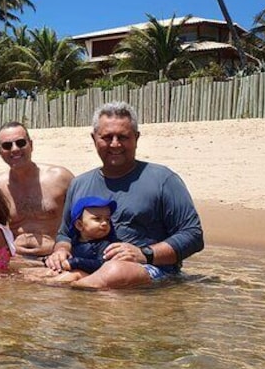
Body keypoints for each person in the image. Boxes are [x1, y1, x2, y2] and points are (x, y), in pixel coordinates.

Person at [44, 102, 205, 290]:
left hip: (150, 271)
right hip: (89, 265)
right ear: (94, 138)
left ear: (136, 138)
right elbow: (65, 233)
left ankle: (75, 286)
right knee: (31, 271)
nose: (115, 144)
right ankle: (75, 286)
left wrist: (145, 254)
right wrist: (61, 251)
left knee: (115, 271)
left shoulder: (163, 179)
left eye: (123, 137)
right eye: (107, 137)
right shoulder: (79, 184)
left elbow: (193, 235)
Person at [0, 122, 74, 257]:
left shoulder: (60, 178)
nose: (14, 149)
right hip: (14, 260)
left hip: (53, 258)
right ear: (0, 151)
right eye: (7, 146)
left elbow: (84, 219)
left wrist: (64, 249)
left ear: (31, 144)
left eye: (20, 143)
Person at [39, 196, 118, 283]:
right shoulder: (74, 241)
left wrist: (76, 262)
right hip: (69, 273)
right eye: (97, 219)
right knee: (42, 271)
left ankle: (45, 283)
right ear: (79, 225)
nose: (104, 223)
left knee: (74, 275)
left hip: (90, 278)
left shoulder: (105, 245)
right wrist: (49, 261)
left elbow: (102, 265)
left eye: (107, 219)